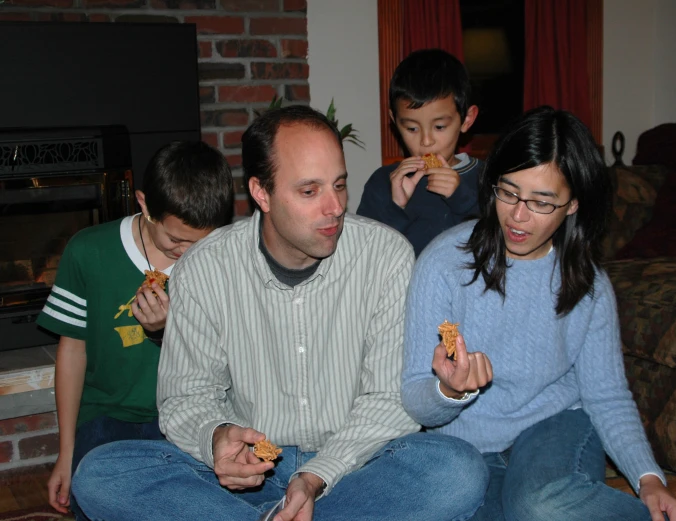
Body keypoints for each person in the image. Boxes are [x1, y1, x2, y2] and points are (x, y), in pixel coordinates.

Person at [71, 105, 487, 521]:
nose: (335, 207)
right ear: (261, 193)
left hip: (350, 466)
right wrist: (218, 439)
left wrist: (314, 476)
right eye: (310, 191)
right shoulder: (205, 266)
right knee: (99, 473)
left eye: (339, 185)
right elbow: (185, 398)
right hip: (254, 474)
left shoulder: (385, 256)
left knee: (458, 470)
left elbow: (385, 401)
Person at [401, 106, 676, 521]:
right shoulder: (443, 264)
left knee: (539, 505)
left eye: (542, 202)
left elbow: (607, 395)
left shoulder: (589, 285)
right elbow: (417, 401)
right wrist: (450, 392)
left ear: (573, 204)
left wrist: (647, 477)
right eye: (508, 192)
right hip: (467, 449)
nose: (518, 216)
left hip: (555, 428)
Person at [36, 140, 234, 520]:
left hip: (192, 415)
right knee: (94, 492)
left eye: (201, 241)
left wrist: (169, 329)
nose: (187, 251)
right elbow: (72, 351)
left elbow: (230, 362)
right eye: (176, 240)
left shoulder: (223, 262)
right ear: (144, 204)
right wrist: (65, 452)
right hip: (106, 415)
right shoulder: (88, 251)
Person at [357, 48, 481, 257]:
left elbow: (496, 248)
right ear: (395, 121)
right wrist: (395, 207)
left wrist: (461, 199)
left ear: (466, 120)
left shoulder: (488, 179)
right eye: (412, 128)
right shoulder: (383, 183)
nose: (426, 141)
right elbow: (364, 257)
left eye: (439, 127)